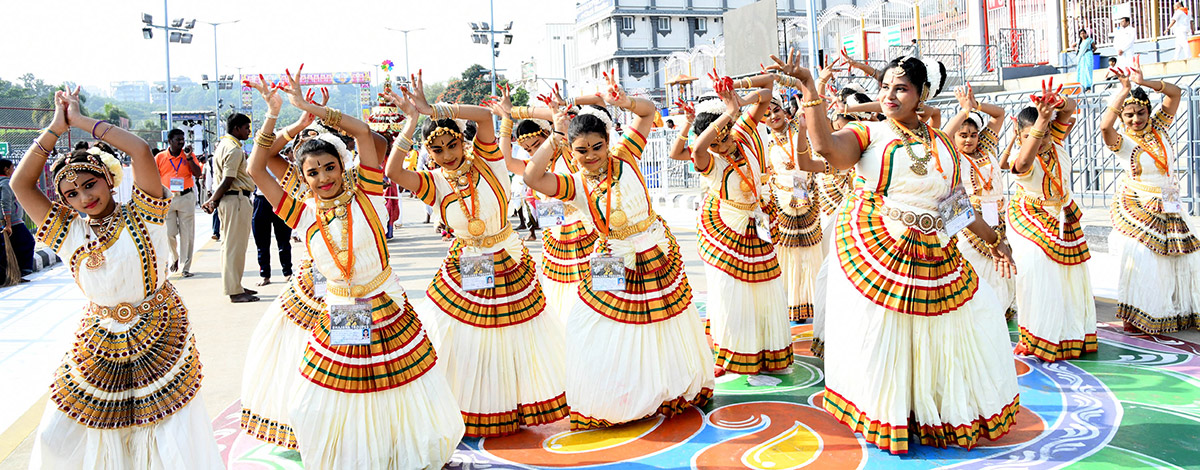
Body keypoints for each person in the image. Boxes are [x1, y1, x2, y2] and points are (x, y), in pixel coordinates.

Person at [777, 51, 1020, 454]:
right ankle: (891, 413)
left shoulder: (942, 142)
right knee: (887, 336)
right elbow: (826, 149)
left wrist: (995, 240)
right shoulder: (868, 134)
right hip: (882, 247)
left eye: (901, 88)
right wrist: (809, 88)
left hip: (935, 251)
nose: (890, 95)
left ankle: (927, 411)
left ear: (921, 94)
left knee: (951, 328)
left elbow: (954, 205)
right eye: (885, 87)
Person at [246, 68, 464, 467]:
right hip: (338, 314)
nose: (322, 177)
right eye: (312, 173)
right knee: (321, 401)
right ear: (304, 179)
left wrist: (313, 109)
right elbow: (256, 169)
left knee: (397, 393)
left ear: (342, 166)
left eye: (329, 167)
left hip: (386, 307)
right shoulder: (302, 213)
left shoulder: (368, 192)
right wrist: (275, 115)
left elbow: (365, 134)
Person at [13, 87, 222, 469]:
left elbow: (141, 150)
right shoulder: (69, 231)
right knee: (56, 435)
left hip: (159, 330)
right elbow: (20, 185)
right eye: (71, 194)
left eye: (89, 185)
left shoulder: (145, 211)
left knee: (165, 438)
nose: (83, 197)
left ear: (109, 181)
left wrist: (80, 122)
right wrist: (54, 130)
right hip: (100, 337)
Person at [523, 69, 714, 430]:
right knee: (598, 329)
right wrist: (557, 134)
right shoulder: (574, 185)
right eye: (581, 151)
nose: (591, 155)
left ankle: (666, 388)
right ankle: (624, 396)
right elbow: (532, 178)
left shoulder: (626, 155)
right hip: (612, 261)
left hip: (652, 252)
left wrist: (625, 102)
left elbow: (648, 112)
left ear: (608, 141)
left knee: (662, 326)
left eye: (597, 146)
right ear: (571, 152)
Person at [383, 72, 567, 438]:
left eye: (452, 145)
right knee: (465, 343)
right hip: (464, 268)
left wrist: (433, 108)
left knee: (511, 342)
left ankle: (507, 407)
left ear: (462, 144)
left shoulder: (491, 162)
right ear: (429, 154)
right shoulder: (432, 183)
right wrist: (413, 121)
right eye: (437, 150)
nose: (447, 155)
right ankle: (469, 409)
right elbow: (392, 171)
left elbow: (484, 118)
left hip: (506, 258)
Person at [688, 72, 791, 377]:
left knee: (764, 290)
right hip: (726, 228)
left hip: (756, 223)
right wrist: (729, 114)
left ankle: (763, 352)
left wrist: (739, 96)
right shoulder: (711, 162)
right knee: (729, 292)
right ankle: (732, 353)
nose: (721, 145)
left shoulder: (744, 136)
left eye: (724, 136)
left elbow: (768, 91)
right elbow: (697, 149)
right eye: (715, 140)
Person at [1101, 63, 1198, 334]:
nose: (1136, 120)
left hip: (1170, 200)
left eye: (1140, 112)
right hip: (1139, 202)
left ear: (1148, 110)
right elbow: (1104, 127)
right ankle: (1139, 315)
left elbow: (1175, 94)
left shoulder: (1159, 126)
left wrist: (1147, 83)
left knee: (1185, 257)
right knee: (1147, 258)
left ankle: (1178, 312)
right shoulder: (1122, 142)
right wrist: (1124, 92)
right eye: (1129, 115)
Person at [1008, 80, 1096, 361]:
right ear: (1019, 134)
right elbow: (1022, 165)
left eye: (1046, 133)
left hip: (1063, 217)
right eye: (1035, 134)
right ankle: (1037, 337)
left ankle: (1067, 337)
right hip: (1029, 218)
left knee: (1068, 280)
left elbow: (1070, 109)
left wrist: (1056, 102)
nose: (1043, 138)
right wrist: (1041, 124)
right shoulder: (1023, 152)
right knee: (1038, 278)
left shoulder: (1053, 141)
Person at [944, 84, 1016, 320]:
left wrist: (976, 106)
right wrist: (963, 112)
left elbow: (1000, 114)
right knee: (972, 268)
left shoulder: (986, 149)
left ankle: (996, 316)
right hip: (969, 222)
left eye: (973, 135)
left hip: (997, 217)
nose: (969, 140)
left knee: (1000, 273)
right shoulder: (951, 156)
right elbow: (943, 134)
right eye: (963, 135)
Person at [203, 113, 259, 303]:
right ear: (236, 128)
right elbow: (227, 180)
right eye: (246, 128)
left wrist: (214, 200)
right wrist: (212, 200)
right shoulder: (233, 149)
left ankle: (236, 284)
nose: (248, 132)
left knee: (231, 246)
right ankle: (234, 290)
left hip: (231, 200)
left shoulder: (223, 146)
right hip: (235, 200)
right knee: (234, 247)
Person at [155, 129, 203, 277]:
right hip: (168, 198)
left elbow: (198, 174)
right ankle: (174, 257)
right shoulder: (160, 157)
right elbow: (154, 176)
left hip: (185, 197)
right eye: (178, 140)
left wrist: (189, 158)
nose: (181, 142)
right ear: (170, 141)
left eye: (182, 139)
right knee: (169, 233)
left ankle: (185, 266)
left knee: (187, 233)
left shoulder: (188, 155)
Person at [0, 159, 34, 280]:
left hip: (8, 222)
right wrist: (8, 223)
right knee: (28, 242)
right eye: (12, 167)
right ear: (6, 169)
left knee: (11, 247)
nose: (14, 170)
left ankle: (15, 274)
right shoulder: (5, 184)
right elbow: (5, 202)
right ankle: (23, 270)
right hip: (13, 222)